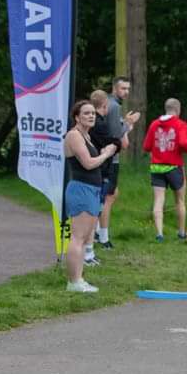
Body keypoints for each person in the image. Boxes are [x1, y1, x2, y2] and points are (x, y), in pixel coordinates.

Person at [63, 100, 117, 292]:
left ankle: (79, 279)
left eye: (93, 113)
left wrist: (102, 153)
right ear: (77, 117)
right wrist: (107, 154)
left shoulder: (86, 136)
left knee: (86, 238)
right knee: (78, 237)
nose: (91, 116)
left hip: (91, 190)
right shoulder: (74, 135)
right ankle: (74, 282)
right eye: (86, 113)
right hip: (81, 189)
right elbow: (87, 163)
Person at [97, 76, 141, 249]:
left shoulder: (110, 104)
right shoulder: (113, 106)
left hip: (106, 156)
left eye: (128, 89)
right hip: (110, 158)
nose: (126, 92)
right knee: (107, 197)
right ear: (114, 88)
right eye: (123, 89)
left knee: (111, 194)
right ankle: (103, 237)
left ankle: (96, 232)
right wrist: (128, 124)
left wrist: (124, 123)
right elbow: (116, 135)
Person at [143, 98, 187, 242]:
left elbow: (146, 146)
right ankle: (182, 233)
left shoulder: (154, 124)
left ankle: (159, 234)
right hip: (174, 166)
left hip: (157, 167)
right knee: (180, 201)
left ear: (166, 108)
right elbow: (184, 143)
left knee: (158, 200)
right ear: (178, 110)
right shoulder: (180, 124)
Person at [87, 90, 121, 266]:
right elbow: (114, 143)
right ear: (105, 105)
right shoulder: (101, 125)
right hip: (101, 170)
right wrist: (126, 128)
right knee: (98, 205)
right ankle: (96, 240)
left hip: (98, 169)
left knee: (104, 200)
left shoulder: (93, 125)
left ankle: (95, 239)